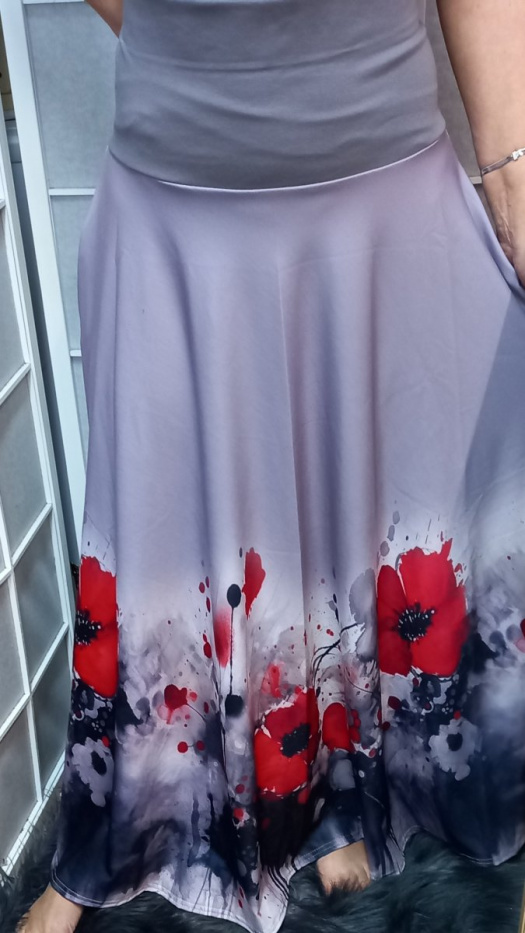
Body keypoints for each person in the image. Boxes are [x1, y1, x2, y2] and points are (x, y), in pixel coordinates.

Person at [17, 0, 525, 931]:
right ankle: (260, 812)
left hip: (385, 190)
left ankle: (346, 795)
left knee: (390, 502)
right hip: (178, 202)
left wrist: (509, 163)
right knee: (188, 521)